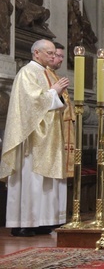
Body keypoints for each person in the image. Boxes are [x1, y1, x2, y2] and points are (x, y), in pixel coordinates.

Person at [0, 39, 69, 237]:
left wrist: (57, 95)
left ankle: (43, 221)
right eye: (49, 53)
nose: (53, 56)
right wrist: (54, 92)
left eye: (53, 53)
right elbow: (31, 102)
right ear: (36, 53)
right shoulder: (27, 72)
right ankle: (24, 222)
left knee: (44, 182)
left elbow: (54, 102)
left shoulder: (47, 73)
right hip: (32, 138)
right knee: (30, 179)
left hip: (47, 137)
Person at [47, 42, 75, 178]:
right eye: (58, 55)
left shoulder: (55, 76)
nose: (61, 59)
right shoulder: (44, 75)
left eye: (63, 57)